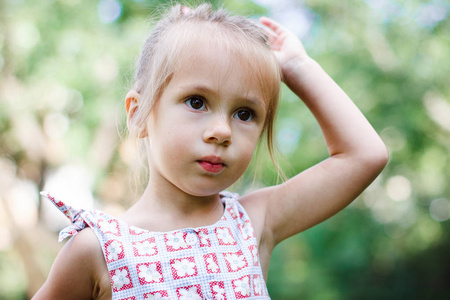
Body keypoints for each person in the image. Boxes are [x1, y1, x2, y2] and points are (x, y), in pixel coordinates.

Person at [33, 3, 388, 300]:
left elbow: (365, 155)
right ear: (139, 114)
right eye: (197, 101)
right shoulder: (97, 249)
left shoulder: (252, 223)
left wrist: (296, 67)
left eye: (245, 113)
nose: (222, 131)